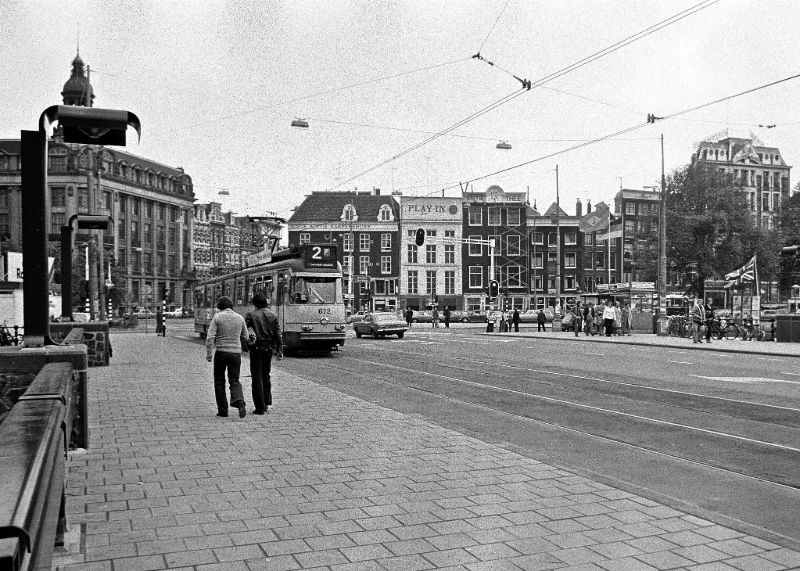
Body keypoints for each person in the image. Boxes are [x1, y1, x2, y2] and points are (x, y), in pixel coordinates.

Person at [206, 296, 249, 418]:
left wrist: (209, 354)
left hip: (221, 352)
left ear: (220, 306)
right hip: (235, 354)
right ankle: (240, 401)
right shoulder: (240, 318)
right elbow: (246, 337)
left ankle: (223, 410)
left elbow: (210, 338)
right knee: (234, 380)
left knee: (219, 380)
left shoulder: (217, 317)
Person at [245, 293, 282, 415]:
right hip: (269, 349)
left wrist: (246, 345)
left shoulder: (251, 315)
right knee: (266, 376)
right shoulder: (273, 315)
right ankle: (266, 403)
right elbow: (278, 333)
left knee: (256, 378)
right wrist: (280, 350)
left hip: (256, 349)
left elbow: (247, 332)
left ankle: (259, 407)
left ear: (255, 303)